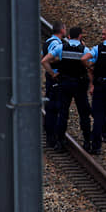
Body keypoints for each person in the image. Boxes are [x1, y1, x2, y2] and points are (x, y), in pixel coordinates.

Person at [42, 26, 92, 151]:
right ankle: (87, 141)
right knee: (83, 113)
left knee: (63, 113)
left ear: (69, 35)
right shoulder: (84, 49)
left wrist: (53, 74)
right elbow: (90, 65)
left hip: (64, 83)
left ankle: (60, 142)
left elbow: (44, 61)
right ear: (80, 36)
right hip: (80, 84)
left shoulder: (61, 47)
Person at [42, 21, 66, 150]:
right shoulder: (56, 43)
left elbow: (42, 55)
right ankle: (53, 138)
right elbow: (47, 59)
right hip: (55, 78)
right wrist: (53, 71)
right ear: (62, 30)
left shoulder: (47, 41)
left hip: (50, 78)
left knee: (51, 106)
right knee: (55, 108)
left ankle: (51, 136)